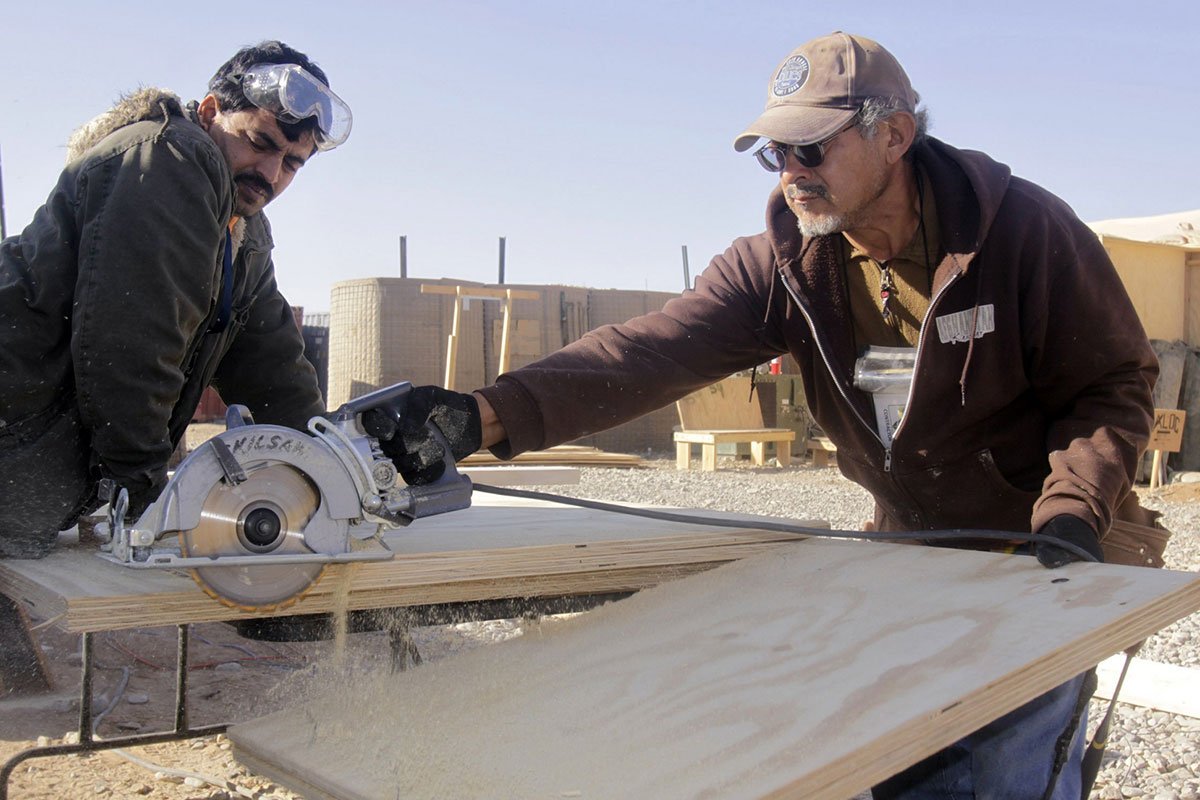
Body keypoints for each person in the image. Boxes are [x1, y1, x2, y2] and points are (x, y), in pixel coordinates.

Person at [367, 31, 1156, 798]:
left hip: (1040, 554)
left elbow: (1114, 382)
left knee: (1005, 765)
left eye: (811, 148)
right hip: (913, 552)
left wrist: (1071, 514)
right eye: (776, 154)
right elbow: (647, 354)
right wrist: (482, 417)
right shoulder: (786, 262)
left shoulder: (1020, 234)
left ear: (894, 137)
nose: (791, 173)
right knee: (906, 758)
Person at [0, 40, 351, 558]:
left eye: (293, 163)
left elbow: (272, 370)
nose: (271, 173)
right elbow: (130, 344)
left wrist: (331, 476)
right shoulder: (168, 160)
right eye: (259, 142)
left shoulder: (243, 234)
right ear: (210, 112)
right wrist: (147, 503)